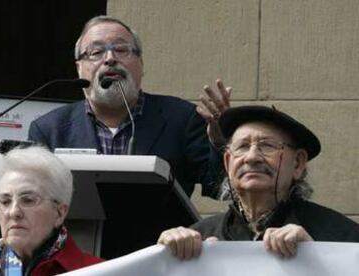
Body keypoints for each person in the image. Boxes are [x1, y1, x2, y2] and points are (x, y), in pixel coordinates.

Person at [27, 15, 232, 199]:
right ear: (79, 68)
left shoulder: (182, 118)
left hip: (161, 240)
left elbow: (220, 189)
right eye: (96, 52)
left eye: (121, 49)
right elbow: (33, 198)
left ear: (141, 64)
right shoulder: (49, 129)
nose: (110, 59)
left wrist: (222, 141)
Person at [158, 105, 359, 259]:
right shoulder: (199, 238)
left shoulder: (342, 237)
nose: (252, 157)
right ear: (228, 163)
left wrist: (317, 256)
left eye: (268, 146)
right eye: (243, 147)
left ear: (298, 163)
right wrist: (165, 256)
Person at [0, 146, 103, 275]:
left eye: (28, 200)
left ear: (60, 213)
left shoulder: (103, 272)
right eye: (5, 201)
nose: (13, 212)